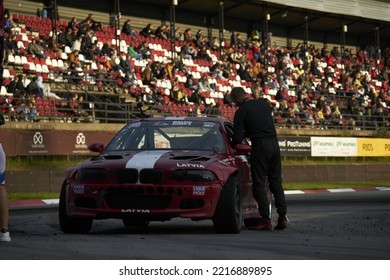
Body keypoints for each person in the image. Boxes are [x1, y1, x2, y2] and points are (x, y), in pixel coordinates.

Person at [230, 87, 288, 231]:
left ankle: (265, 220)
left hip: (260, 146)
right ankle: (282, 217)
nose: (233, 104)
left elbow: (237, 138)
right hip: (274, 144)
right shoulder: (263, 104)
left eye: (233, 101)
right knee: (276, 182)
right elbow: (262, 123)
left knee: (259, 183)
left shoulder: (241, 112)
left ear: (237, 98)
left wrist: (232, 145)